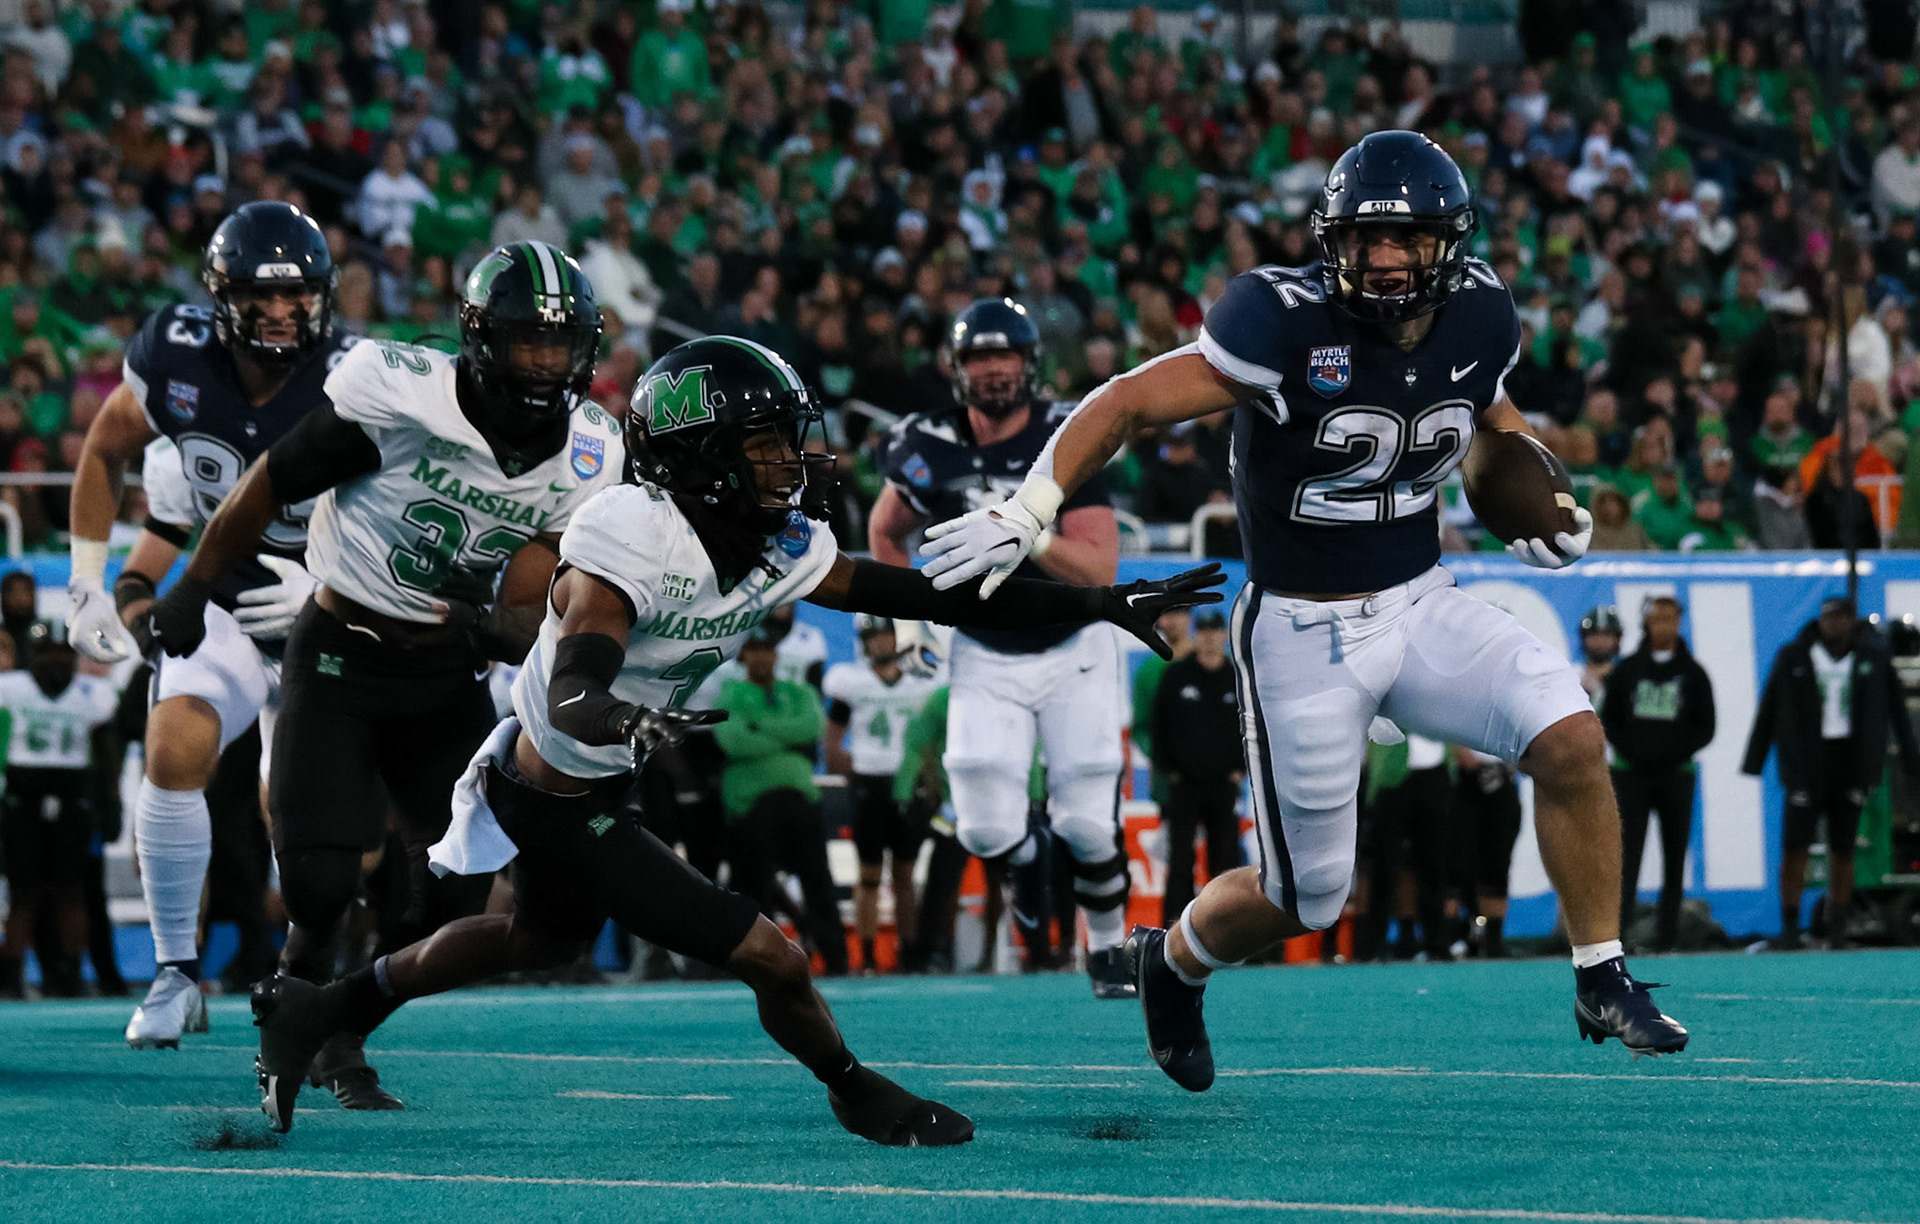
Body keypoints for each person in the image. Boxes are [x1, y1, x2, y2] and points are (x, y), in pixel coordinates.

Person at [243, 334, 1220, 1138]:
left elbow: (926, 595)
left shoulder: (776, 542)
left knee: (525, 936)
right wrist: (627, 718)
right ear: (699, 454)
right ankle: (854, 1089)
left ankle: (325, 1009)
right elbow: (581, 678)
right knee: (771, 955)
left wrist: (1098, 600)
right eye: (764, 446)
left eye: (790, 442)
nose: (790, 464)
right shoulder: (629, 533)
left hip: (591, 782)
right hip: (552, 796)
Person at [917, 131, 1688, 1090]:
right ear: (1333, 241)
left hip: (1420, 600)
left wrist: (1543, 490)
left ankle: (1599, 972)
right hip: (1301, 630)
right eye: (1365, 239)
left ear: (1448, 244)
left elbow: (1488, 414)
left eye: (1406, 239)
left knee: (1571, 738)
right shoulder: (1279, 318)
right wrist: (1029, 506)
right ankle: (1174, 962)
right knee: (1307, 896)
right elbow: (1126, 401)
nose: (1384, 259)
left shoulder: (1482, 311)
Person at [144, 240, 624, 1109]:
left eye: (562, 346)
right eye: (529, 344)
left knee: (453, 883)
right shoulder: (402, 391)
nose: (547, 365)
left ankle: (342, 1029)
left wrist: (506, 625)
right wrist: (197, 581)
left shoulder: (591, 446)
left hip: (444, 666)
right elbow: (273, 477)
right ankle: (293, 1004)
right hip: (340, 645)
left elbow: (560, 580)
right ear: (481, 340)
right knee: (322, 882)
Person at [64, 201, 354, 1050]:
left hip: (331, 611)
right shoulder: (177, 356)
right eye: (262, 298)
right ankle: (173, 974)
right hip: (222, 599)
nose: (282, 314)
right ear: (222, 299)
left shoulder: (357, 373)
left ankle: (317, 979)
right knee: (173, 748)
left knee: (301, 814)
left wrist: (337, 575)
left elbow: (415, 494)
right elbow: (103, 449)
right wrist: (91, 581)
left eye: (299, 296)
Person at [869, 297, 1139, 998]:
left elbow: (1100, 568)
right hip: (983, 645)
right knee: (985, 828)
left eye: (1006, 356)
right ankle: (1025, 857)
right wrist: (905, 626)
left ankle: (1108, 950)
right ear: (956, 370)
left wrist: (1029, 532)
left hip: (1073, 645)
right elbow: (884, 530)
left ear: (1029, 364)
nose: (994, 371)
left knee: (1085, 816)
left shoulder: (1065, 434)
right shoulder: (923, 440)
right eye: (980, 358)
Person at [1743, 597, 1920, 950]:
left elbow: (1896, 711)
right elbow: (1770, 707)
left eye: (1841, 618)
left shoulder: (1873, 658)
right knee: (1795, 846)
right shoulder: (1794, 656)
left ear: (1852, 621)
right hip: (1807, 760)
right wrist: (1756, 759)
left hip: (1850, 760)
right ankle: (1791, 926)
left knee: (1844, 848)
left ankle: (1838, 926)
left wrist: (1910, 764)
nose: (1834, 624)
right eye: (1829, 618)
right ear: (1820, 620)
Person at [715, 630, 847, 975]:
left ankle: (836, 960)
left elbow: (812, 727)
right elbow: (734, 741)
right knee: (754, 887)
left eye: (767, 649)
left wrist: (761, 727)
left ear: (777, 655)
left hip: (799, 797)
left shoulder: (799, 692)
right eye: (754, 650)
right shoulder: (730, 693)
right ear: (744, 655)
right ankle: (760, 962)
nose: (761, 657)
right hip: (751, 803)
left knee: (818, 880)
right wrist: (786, 738)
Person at [0, 621, 120, 998]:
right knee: (23, 892)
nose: (55, 662)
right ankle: (10, 976)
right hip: (23, 793)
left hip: (72, 794)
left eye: (63, 654)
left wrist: (110, 800)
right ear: (33, 657)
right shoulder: (11, 689)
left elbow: (104, 752)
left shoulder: (95, 693)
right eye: (48, 653)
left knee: (72, 891)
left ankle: (70, 973)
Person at [823, 615, 941, 973]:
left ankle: (910, 953)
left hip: (907, 785)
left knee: (905, 874)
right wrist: (853, 773)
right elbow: (832, 740)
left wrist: (927, 778)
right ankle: (870, 955)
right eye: (873, 636)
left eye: (887, 634)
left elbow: (930, 742)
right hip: (869, 783)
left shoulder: (921, 682)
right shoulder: (852, 683)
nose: (881, 643)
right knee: (869, 874)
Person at [1600, 596, 1716, 951]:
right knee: (1626, 856)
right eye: (1657, 619)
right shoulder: (1627, 671)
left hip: (1676, 775)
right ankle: (1615, 936)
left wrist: (1669, 755)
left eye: (1670, 619)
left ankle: (1667, 937)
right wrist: (1635, 755)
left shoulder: (1693, 674)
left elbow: (1706, 727)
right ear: (1646, 623)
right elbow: (1610, 720)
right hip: (1631, 775)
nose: (1663, 626)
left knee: (1674, 855)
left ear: (1680, 621)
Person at [1149, 608, 1242, 926]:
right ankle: (1174, 925)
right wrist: (1168, 768)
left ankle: (1223, 924)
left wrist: (1240, 768)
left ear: (1224, 636)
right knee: (1180, 860)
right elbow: (1157, 726)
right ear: (1197, 635)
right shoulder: (1177, 676)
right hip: (1185, 784)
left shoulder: (1236, 678)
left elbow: (1252, 726)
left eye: (1215, 632)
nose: (1210, 639)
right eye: (1204, 632)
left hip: (1222, 783)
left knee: (1224, 860)